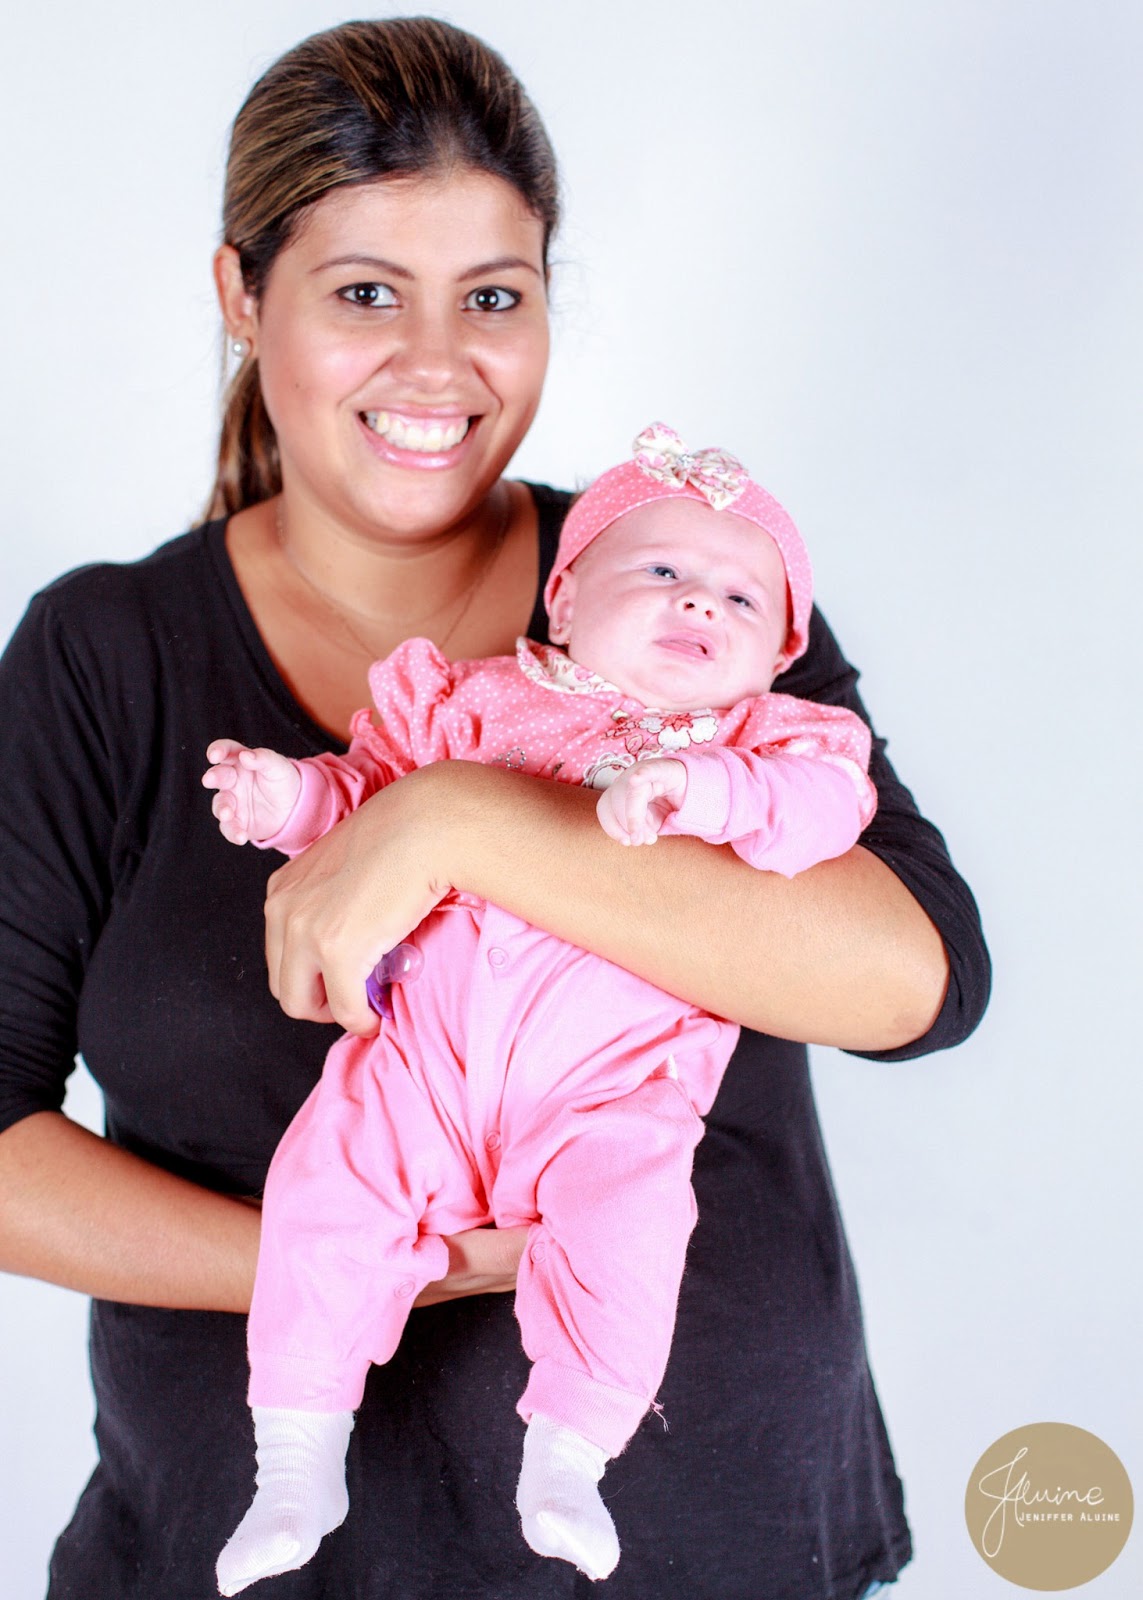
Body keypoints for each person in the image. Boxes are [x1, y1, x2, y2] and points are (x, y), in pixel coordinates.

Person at [0, 18, 989, 1600]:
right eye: (363, 293)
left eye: (492, 297)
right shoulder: (105, 656)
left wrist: (452, 820)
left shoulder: (681, 590)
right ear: (241, 296)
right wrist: (356, 1261)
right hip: (232, 1556)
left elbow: (913, 983)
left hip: (703, 1553)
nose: (436, 364)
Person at [204, 425, 879, 1592]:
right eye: (660, 569)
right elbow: (368, 803)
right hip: (420, 1067)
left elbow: (824, 811)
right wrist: (292, 800)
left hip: (610, 1094)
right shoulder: (472, 703)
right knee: (325, 1198)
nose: (700, 602)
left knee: (627, 1233)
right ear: (564, 597)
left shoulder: (767, 742)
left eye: (740, 598)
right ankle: (296, 1458)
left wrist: (702, 788)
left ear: (779, 655)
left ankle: (569, 1455)